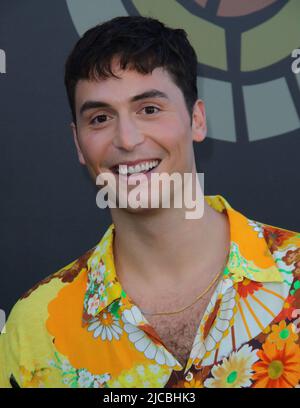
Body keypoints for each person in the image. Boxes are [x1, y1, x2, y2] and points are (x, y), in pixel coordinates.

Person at [1, 15, 300, 389]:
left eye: (149, 109)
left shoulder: (296, 273)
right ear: (78, 144)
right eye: (100, 118)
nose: (127, 139)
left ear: (197, 119)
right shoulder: (35, 327)